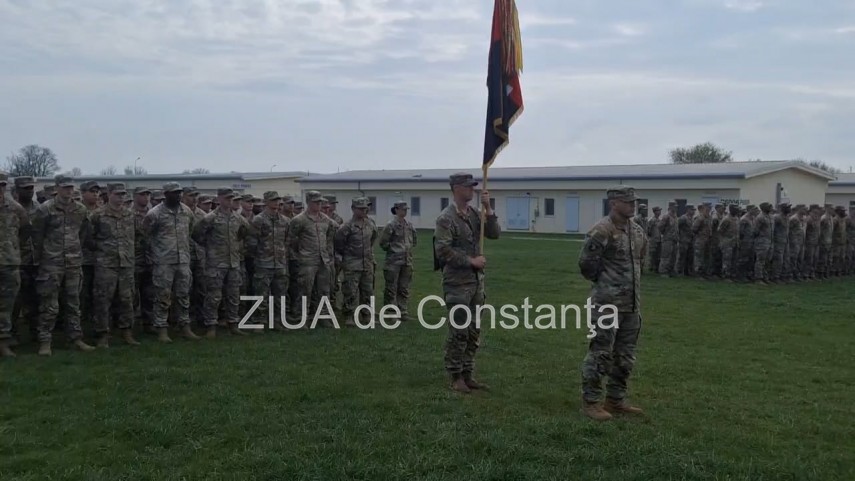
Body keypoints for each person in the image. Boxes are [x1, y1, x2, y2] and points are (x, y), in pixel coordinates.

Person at [578, 185, 647, 421]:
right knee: (600, 354)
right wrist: (605, 284)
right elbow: (586, 264)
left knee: (625, 356)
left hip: (631, 305)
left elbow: (640, 261)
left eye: (633, 201)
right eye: (627, 201)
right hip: (606, 304)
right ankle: (591, 402)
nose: (632, 205)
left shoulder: (637, 231)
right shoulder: (601, 230)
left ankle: (616, 400)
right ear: (613, 203)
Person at [433, 172, 500, 393]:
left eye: (473, 186)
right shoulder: (446, 218)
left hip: (475, 283)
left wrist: (488, 209)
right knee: (459, 331)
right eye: (468, 186)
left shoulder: (473, 214)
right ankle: (455, 376)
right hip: (457, 283)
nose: (472, 189)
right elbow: (443, 251)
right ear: (456, 188)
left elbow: (494, 234)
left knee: (473, 331)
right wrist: (471, 261)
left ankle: (468, 373)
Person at [31, 175, 96, 355]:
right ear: (57, 188)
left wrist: (75, 250)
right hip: (51, 263)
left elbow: (83, 233)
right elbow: (37, 235)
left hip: (74, 262)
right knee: (49, 304)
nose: (69, 191)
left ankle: (75, 338)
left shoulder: (80, 209)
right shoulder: (46, 209)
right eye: (65, 187)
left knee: (74, 302)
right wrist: (43, 258)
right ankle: (45, 341)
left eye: (71, 188)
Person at [142, 182, 201, 342]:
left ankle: (184, 326)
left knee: (183, 295)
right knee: (162, 296)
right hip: (164, 262)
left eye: (180, 192)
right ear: (166, 194)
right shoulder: (154, 214)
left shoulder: (186, 211)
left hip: (183, 261)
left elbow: (190, 231)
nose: (178, 195)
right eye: (174, 192)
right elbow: (146, 236)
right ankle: (161, 328)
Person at [87, 182, 139, 347]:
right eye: (117, 194)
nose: (120, 198)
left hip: (126, 263)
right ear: (109, 194)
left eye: (123, 194)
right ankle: (102, 334)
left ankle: (127, 332)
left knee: (127, 299)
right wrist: (102, 250)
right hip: (106, 264)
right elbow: (88, 238)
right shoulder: (98, 215)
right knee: (103, 299)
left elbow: (137, 235)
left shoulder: (130, 215)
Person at [0, 171, 29, 357]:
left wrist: (12, 248)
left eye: (2, 185)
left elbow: (25, 231)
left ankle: (3, 341)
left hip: (9, 263)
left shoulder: (15, 208)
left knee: (6, 305)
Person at [379, 201, 418, 321]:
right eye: (402, 209)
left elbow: (414, 240)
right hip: (393, 262)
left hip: (407, 261)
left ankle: (402, 311)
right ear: (396, 210)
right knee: (391, 288)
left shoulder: (409, 225)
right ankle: (390, 312)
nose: (404, 211)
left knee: (404, 287)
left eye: (406, 209)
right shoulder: (391, 225)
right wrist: (394, 250)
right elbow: (383, 242)